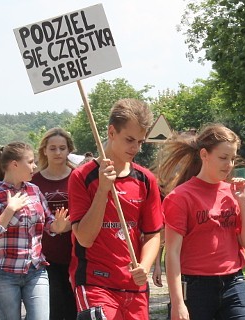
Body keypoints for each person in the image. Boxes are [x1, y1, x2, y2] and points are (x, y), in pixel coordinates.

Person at [68, 98, 163, 319]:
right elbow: (84, 238)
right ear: (111, 132)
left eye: (140, 142)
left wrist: (145, 266)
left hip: (133, 285)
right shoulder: (82, 177)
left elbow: (152, 234)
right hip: (95, 282)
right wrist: (102, 190)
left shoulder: (146, 180)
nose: (135, 148)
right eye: (130, 139)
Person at [156, 124, 245, 320]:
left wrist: (244, 202)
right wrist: (177, 303)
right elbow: (173, 253)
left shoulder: (233, 193)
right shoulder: (180, 197)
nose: (229, 164)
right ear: (204, 154)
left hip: (234, 283)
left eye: (232, 158)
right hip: (196, 289)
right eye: (223, 158)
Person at [0, 142, 71, 320]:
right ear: (14, 164)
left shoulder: (34, 190)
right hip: (5, 274)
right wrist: (9, 211)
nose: (35, 166)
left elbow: (48, 221)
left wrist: (56, 227)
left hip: (36, 270)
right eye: (30, 162)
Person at [30, 128, 77, 320]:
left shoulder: (78, 177)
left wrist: (69, 224)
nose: (58, 152)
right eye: (53, 148)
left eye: (62, 148)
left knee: (75, 309)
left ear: (69, 151)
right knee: (54, 310)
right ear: (44, 151)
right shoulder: (34, 181)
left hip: (77, 253)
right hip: (45, 256)